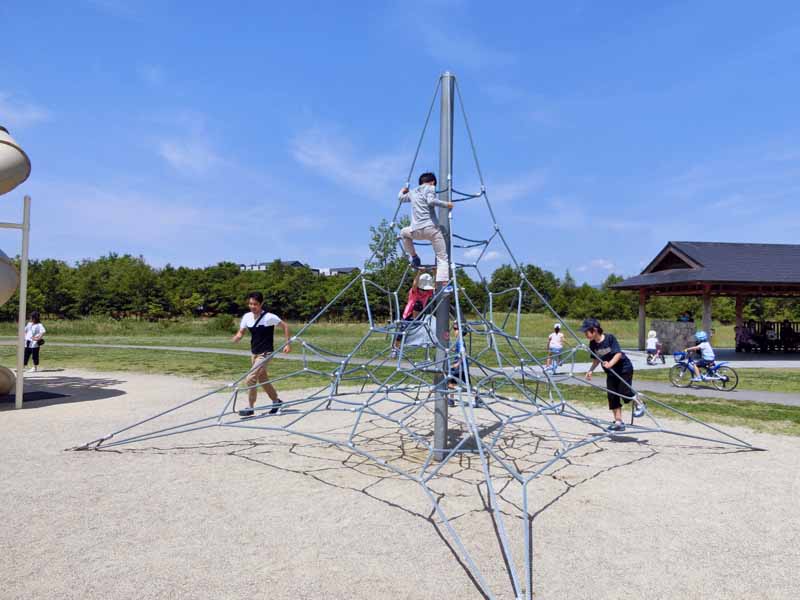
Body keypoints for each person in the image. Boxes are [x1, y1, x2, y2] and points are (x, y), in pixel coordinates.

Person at [232, 292, 291, 417]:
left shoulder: (269, 317)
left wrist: (287, 344)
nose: (252, 306)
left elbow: (285, 326)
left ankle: (250, 407)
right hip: (254, 352)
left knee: (250, 378)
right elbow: (241, 332)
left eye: (255, 304)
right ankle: (276, 401)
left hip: (266, 353)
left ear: (261, 304)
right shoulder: (247, 317)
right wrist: (237, 337)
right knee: (262, 378)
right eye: (250, 304)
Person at [581, 317, 645, 431]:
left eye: (586, 331)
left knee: (623, 391)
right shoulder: (592, 344)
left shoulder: (610, 338)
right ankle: (618, 422)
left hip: (623, 368)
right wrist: (590, 370)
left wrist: (610, 363)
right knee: (612, 396)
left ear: (594, 330)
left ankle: (639, 403)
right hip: (611, 372)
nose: (585, 334)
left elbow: (618, 354)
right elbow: (596, 359)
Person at [398, 172, 453, 285]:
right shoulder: (430, 187)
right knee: (442, 256)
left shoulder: (413, 192)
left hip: (416, 231)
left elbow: (401, 198)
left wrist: (403, 190)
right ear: (432, 182)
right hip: (431, 229)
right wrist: (447, 204)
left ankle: (414, 256)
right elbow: (431, 201)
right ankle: (444, 283)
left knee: (403, 233)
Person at [392, 271, 435, 356]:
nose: (424, 292)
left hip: (419, 315)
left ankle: (416, 319)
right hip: (408, 315)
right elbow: (414, 284)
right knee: (401, 332)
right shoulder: (414, 292)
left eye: (425, 290)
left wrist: (435, 273)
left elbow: (435, 285)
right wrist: (418, 272)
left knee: (422, 305)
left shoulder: (427, 293)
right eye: (422, 289)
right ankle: (395, 350)